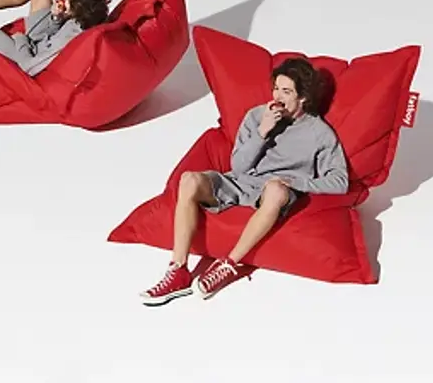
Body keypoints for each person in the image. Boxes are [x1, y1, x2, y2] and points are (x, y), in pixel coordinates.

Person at [140, 56, 350, 305]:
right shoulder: (257, 116)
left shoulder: (320, 134)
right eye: (276, 88)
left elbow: (340, 181)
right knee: (189, 180)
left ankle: (228, 264)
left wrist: (295, 182)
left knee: (275, 190)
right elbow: (238, 166)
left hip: (275, 192)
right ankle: (178, 270)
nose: (277, 96)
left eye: (286, 91)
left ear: (303, 97)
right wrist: (262, 131)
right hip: (242, 183)